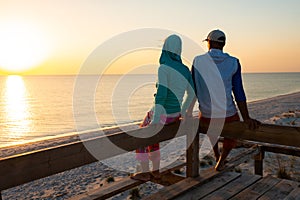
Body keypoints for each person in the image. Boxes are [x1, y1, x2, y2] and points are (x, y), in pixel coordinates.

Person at [189, 29, 260, 171]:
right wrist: (246, 117)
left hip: (207, 114)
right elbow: (238, 91)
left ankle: (216, 154)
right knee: (233, 132)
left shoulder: (198, 61)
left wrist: (188, 112)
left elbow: (193, 89)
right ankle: (222, 159)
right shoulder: (233, 62)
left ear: (209, 42)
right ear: (224, 44)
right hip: (227, 113)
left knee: (211, 129)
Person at [131, 34, 195, 181]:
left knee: (141, 136)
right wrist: (183, 112)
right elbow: (192, 94)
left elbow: (161, 96)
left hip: (162, 115)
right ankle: (156, 171)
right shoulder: (185, 69)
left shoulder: (164, 68)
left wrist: (154, 121)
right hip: (175, 115)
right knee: (153, 139)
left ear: (165, 49)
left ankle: (145, 171)